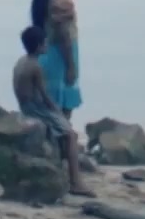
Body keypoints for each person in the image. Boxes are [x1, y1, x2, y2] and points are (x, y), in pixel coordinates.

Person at [12, 24, 91, 196]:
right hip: (35, 109)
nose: (47, 45)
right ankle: (76, 182)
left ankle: (64, 170)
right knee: (70, 135)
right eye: (45, 42)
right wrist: (58, 112)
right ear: (39, 46)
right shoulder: (35, 67)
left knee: (64, 132)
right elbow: (45, 97)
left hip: (25, 106)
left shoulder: (21, 62)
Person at [29, 0, 81, 117]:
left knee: (47, 110)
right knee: (63, 112)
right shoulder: (61, 0)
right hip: (60, 59)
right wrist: (71, 66)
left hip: (45, 55)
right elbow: (64, 35)